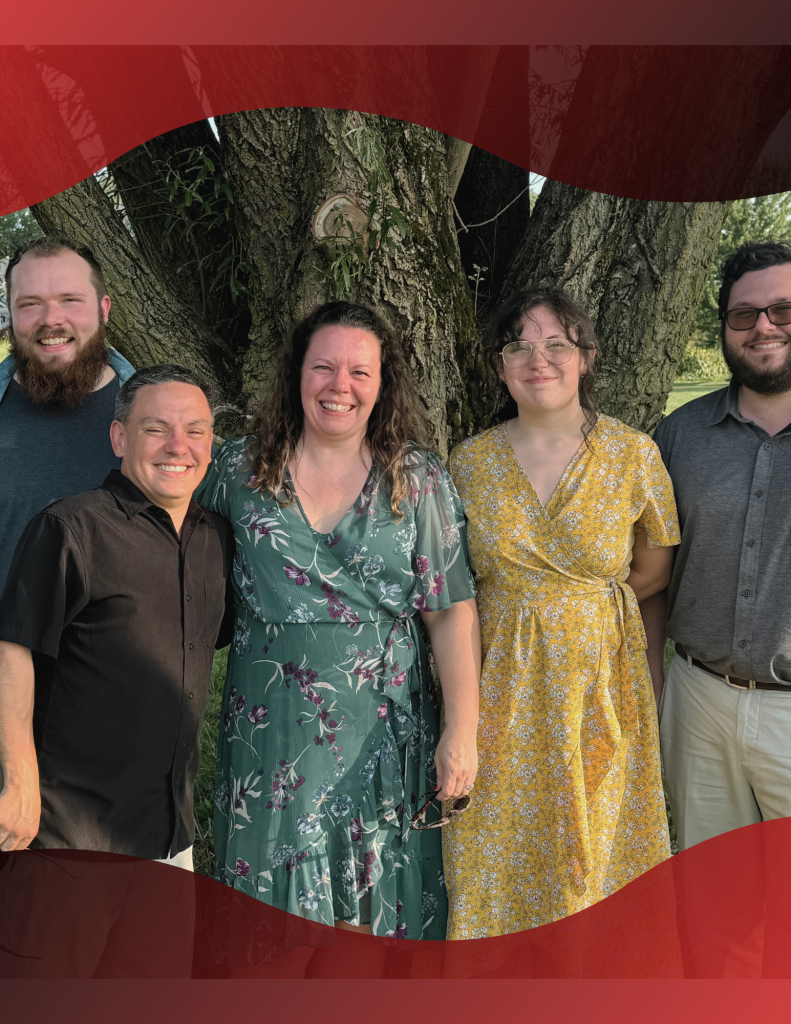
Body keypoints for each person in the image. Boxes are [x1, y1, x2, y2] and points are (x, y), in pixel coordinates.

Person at [196, 301, 480, 976]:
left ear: (383, 383)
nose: (339, 385)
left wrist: (462, 731)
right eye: (322, 366)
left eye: (359, 370)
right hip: (272, 739)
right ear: (296, 373)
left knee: (372, 930)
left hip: (384, 734)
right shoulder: (236, 471)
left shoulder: (416, 478)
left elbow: (450, 610)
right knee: (274, 939)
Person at [441, 287, 680, 939]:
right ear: (498, 366)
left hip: (600, 691)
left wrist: (577, 614)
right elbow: (448, 586)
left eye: (555, 345)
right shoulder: (468, 464)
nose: (536, 359)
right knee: (497, 852)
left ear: (586, 358)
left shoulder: (634, 455)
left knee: (596, 858)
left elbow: (655, 566)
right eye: (517, 345)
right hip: (501, 694)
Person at [0, 364, 234, 978]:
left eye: (195, 430)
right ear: (119, 438)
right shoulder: (69, 529)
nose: (177, 446)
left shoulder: (215, 541)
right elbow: (11, 649)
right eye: (155, 428)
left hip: (166, 835)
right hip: (69, 840)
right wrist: (18, 782)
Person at [0, 235, 135, 593]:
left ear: (103, 309)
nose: (51, 320)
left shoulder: (159, 421)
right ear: (10, 314)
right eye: (30, 304)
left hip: (122, 649)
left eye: (70, 300)